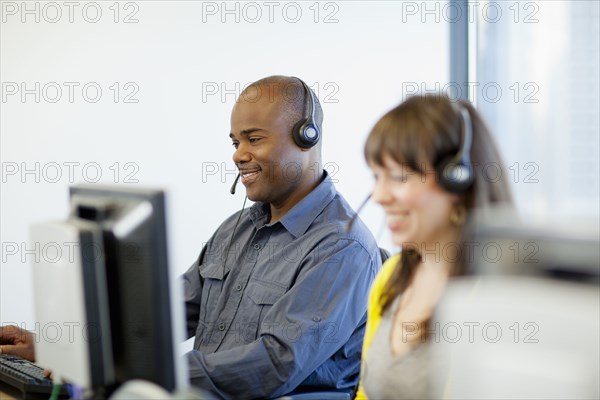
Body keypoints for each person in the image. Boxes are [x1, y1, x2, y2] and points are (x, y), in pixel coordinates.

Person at [1, 76, 382, 399]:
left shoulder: (341, 245)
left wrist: (125, 372)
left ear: (306, 138)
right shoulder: (239, 228)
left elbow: (275, 363)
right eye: (236, 142)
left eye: (254, 139)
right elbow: (167, 316)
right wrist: (65, 351)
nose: (238, 155)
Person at [354, 94, 514, 400]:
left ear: (458, 179)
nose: (379, 195)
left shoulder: (498, 295)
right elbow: (365, 392)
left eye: (399, 177)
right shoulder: (391, 278)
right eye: (377, 177)